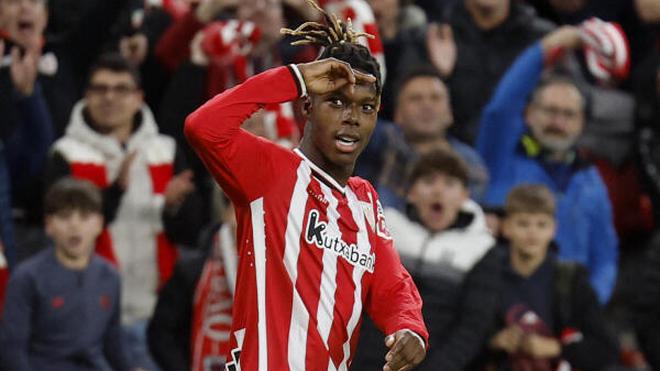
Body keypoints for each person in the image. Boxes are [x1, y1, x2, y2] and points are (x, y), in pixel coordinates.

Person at [184, 1, 429, 369]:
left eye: (366, 107)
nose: (352, 119)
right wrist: (294, 77)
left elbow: (392, 285)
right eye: (336, 101)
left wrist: (409, 327)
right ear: (306, 106)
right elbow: (203, 127)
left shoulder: (365, 201)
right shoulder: (271, 172)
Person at [46, 53, 202, 370]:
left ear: (138, 97)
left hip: (159, 315)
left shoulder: (166, 150)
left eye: (120, 89)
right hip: (90, 316)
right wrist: (115, 191)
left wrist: (175, 207)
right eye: (100, 89)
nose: (109, 98)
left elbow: (190, 233)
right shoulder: (65, 153)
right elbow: (61, 234)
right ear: (86, 95)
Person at [476, 26, 618, 303]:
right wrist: (544, 49)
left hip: (566, 307)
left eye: (568, 115)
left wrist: (587, 306)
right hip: (500, 301)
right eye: (550, 111)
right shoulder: (501, 154)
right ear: (528, 114)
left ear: (582, 124)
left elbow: (605, 258)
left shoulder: (592, 180)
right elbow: (501, 108)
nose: (558, 123)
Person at [434, 184, 619, 370]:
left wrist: (555, 348)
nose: (532, 232)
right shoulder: (485, 274)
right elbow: (460, 340)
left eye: (541, 224)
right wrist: (493, 344)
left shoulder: (570, 279)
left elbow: (605, 349)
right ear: (506, 227)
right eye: (523, 223)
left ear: (553, 229)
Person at [353, 148, 494, 370]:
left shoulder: (482, 247)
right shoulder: (383, 229)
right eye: (428, 181)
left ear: (465, 196)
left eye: (449, 184)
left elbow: (473, 326)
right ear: (410, 192)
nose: (438, 191)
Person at [0, 177, 132, 371]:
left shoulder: (110, 276)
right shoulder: (27, 277)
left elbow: (113, 343)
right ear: (49, 225)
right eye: (65, 216)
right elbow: (12, 350)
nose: (74, 225)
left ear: (99, 224)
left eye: (85, 217)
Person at [357, 65, 488, 208]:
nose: (426, 105)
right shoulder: (382, 140)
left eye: (435, 98)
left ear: (450, 113)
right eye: (415, 99)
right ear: (398, 114)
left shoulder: (469, 162)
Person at [427, 0, 553, 143]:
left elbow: (571, 102)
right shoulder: (435, 35)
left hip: (520, 152)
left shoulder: (543, 39)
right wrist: (439, 76)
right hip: (451, 153)